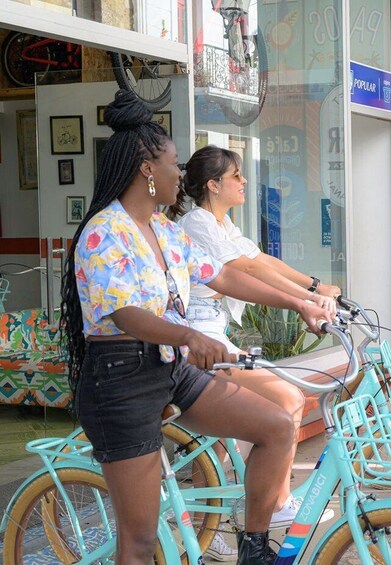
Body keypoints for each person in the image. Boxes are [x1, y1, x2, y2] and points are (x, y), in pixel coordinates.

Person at [59, 90, 329, 564]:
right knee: (140, 541)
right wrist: (188, 334)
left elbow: (225, 275)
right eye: (174, 164)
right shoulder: (105, 231)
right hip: (120, 379)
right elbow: (123, 313)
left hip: (170, 367)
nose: (180, 175)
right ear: (147, 170)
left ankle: (253, 548)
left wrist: (298, 303)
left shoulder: (165, 229)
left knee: (274, 426)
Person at [168, 145, 341, 558]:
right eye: (236, 176)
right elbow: (242, 272)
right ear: (213, 185)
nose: (244, 182)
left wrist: (314, 289)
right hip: (197, 339)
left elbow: (261, 259)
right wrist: (306, 300)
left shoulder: (222, 224)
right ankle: (251, 513)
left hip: (215, 335)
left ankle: (266, 503)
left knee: (273, 411)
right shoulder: (197, 223)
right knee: (282, 399)